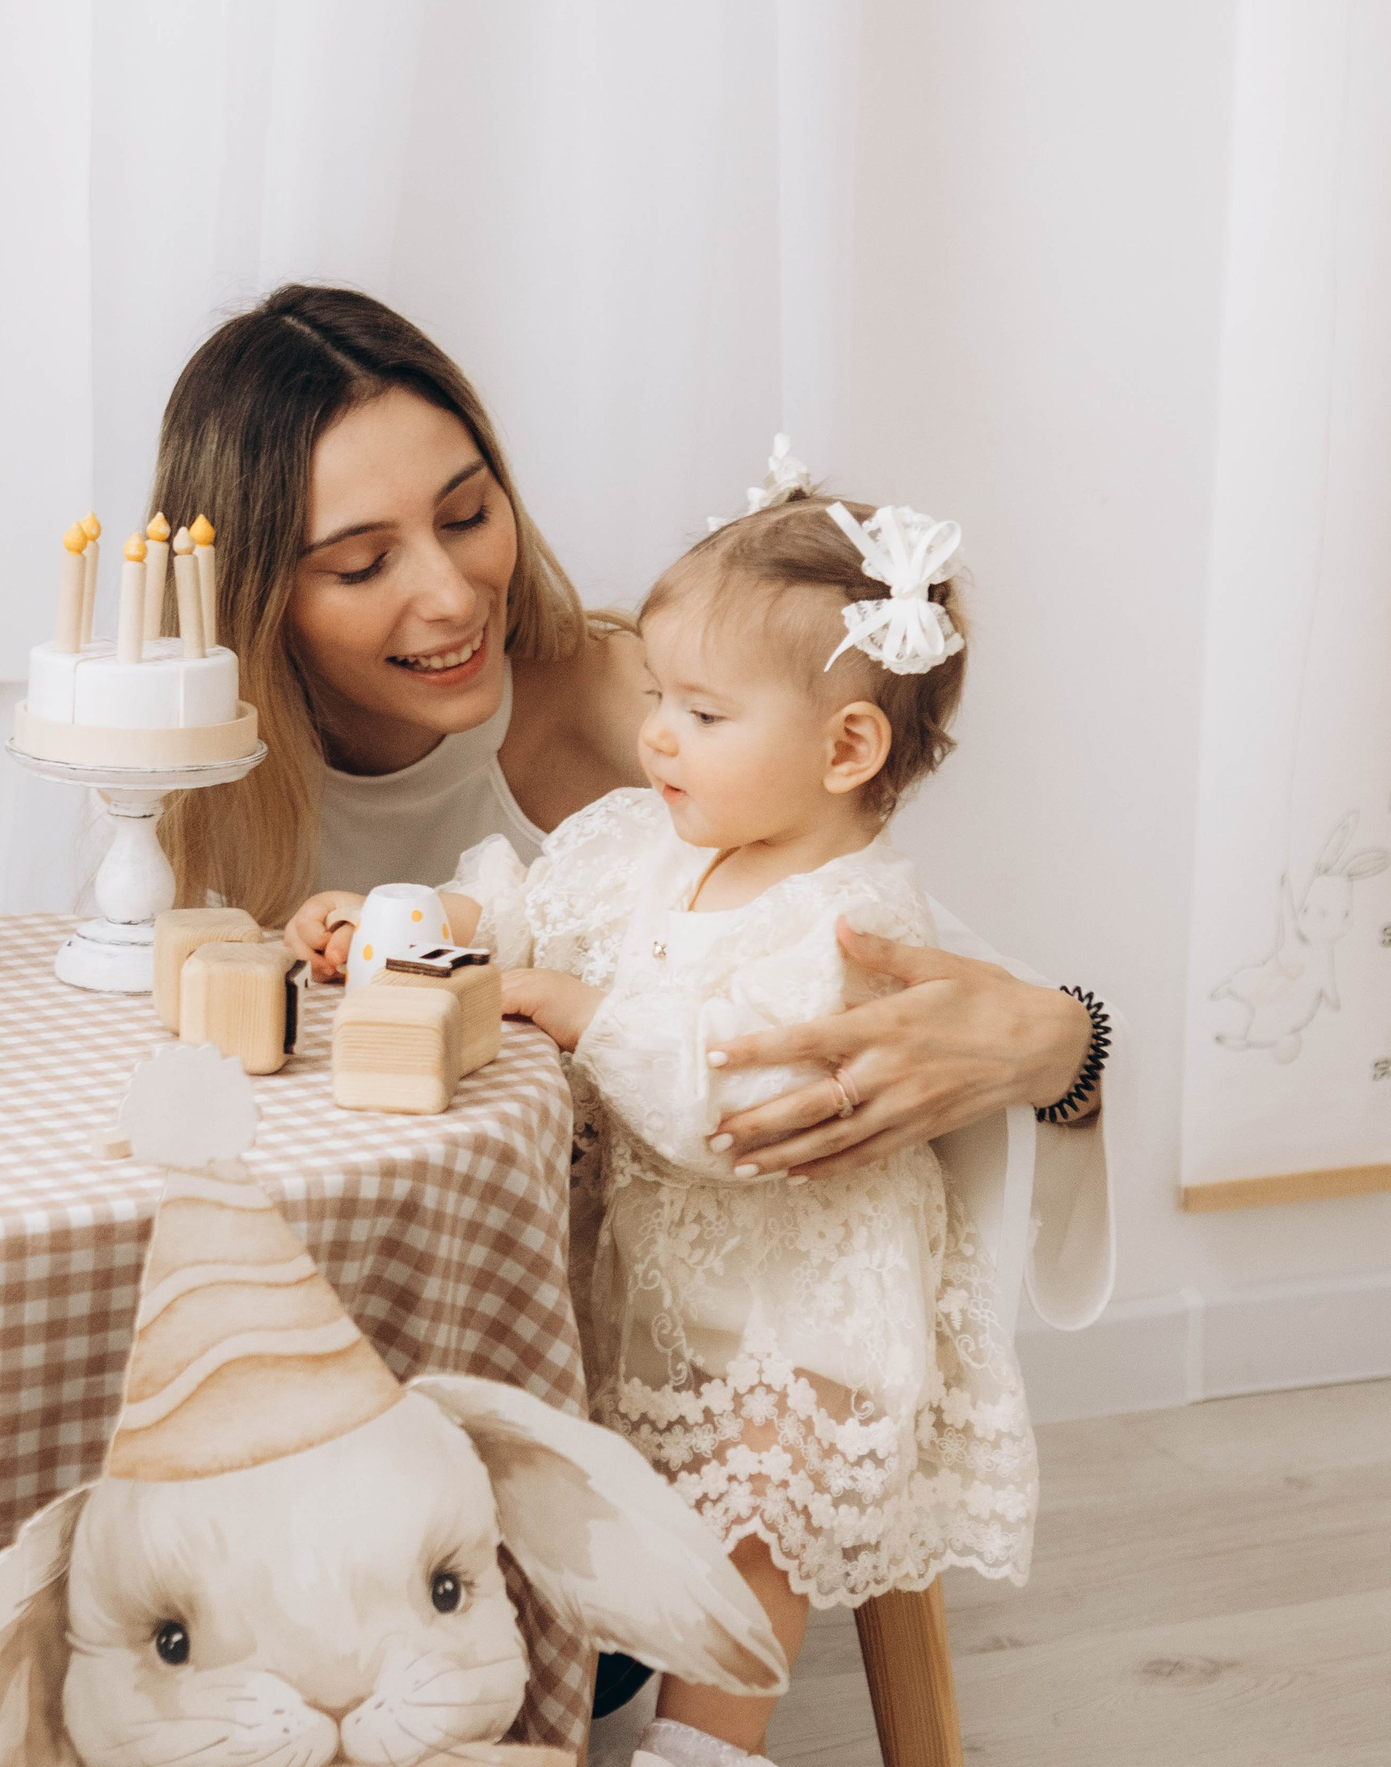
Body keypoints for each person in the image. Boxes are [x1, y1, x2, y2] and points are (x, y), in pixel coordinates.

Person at [420, 485, 1096, 1767]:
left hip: (798, 1305)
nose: (658, 734)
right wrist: (435, 929)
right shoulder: (642, 844)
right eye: (659, 698)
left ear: (847, 747)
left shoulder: (851, 923)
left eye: (703, 713)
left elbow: (736, 1109)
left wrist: (576, 1012)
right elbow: (537, 908)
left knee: (756, 1517)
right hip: (657, 1286)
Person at [156, 283, 1103, 1187]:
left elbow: (935, 994)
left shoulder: (658, 716)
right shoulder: (196, 784)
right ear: (256, 597)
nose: (451, 597)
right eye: (364, 565)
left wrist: (1062, 1049)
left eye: (468, 515)